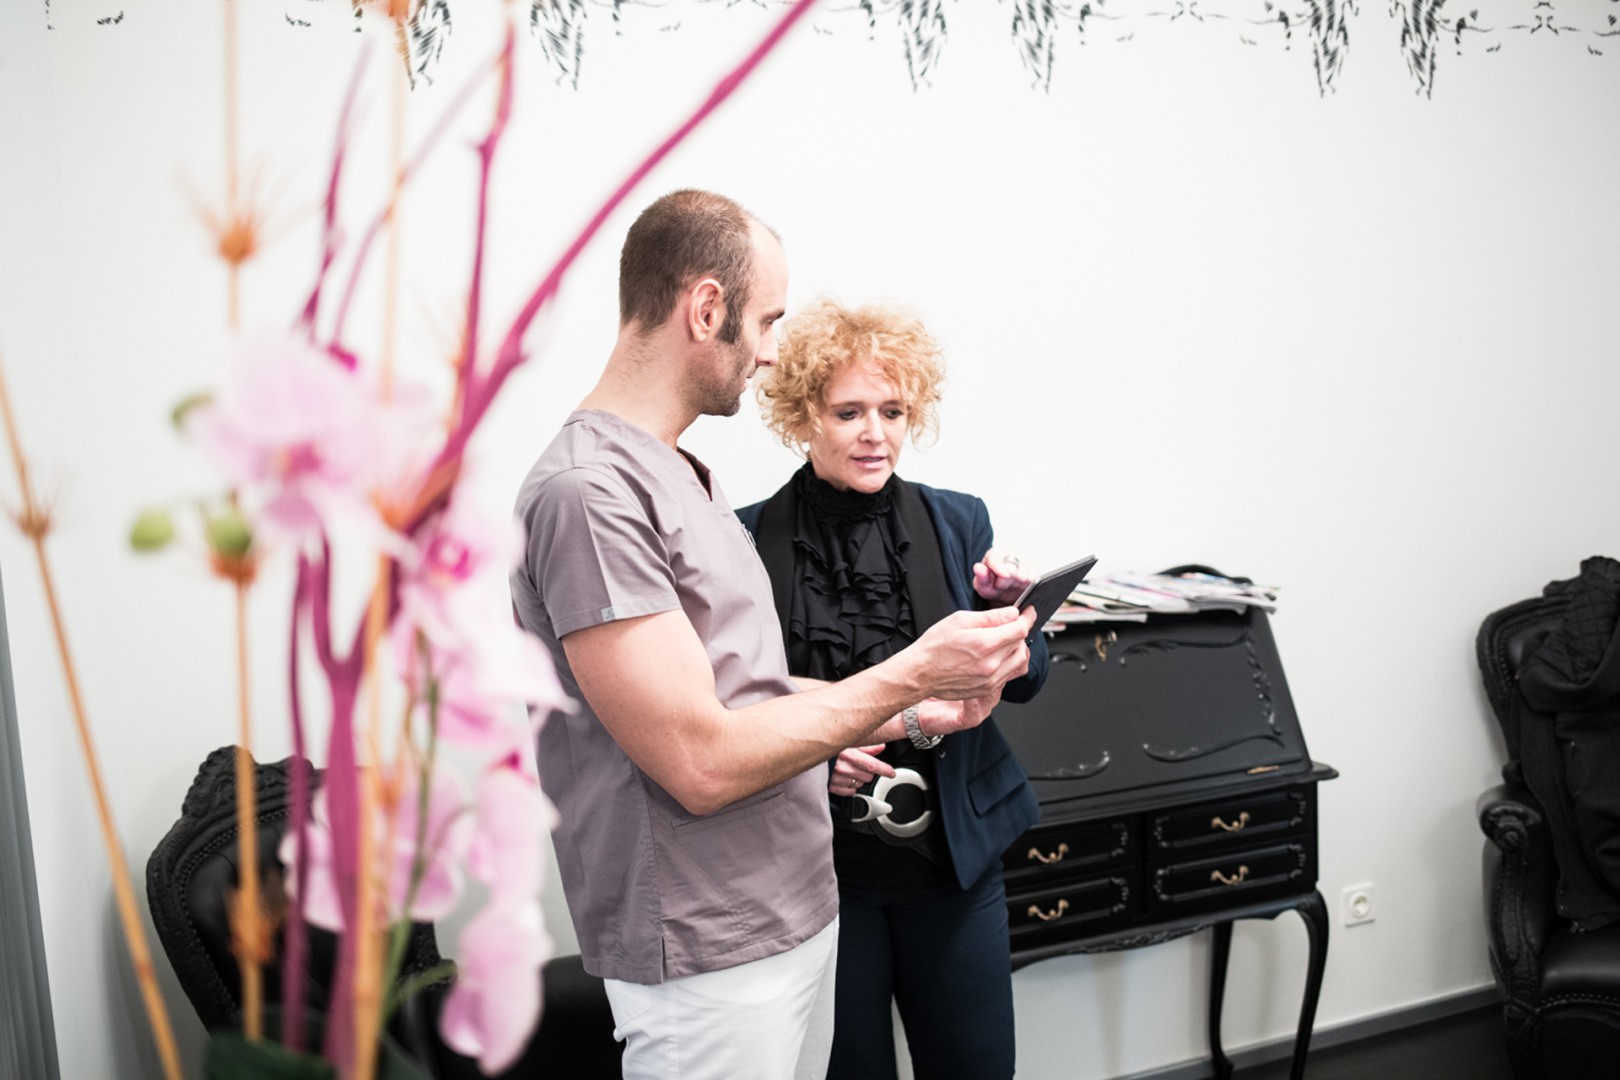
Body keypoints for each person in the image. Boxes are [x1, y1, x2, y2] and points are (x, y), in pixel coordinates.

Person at [508, 190, 1038, 1080]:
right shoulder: (590, 494)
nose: (769, 348)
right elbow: (700, 757)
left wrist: (917, 718)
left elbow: (743, 696)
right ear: (706, 308)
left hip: (790, 917)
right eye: (767, 320)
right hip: (711, 946)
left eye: (893, 411)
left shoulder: (683, 475)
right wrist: (910, 677)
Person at [736, 297, 1050, 1080]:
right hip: (819, 879)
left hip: (955, 866)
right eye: (848, 411)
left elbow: (1029, 681)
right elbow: (733, 699)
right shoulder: (740, 539)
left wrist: (1006, 616)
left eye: (893, 409)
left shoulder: (958, 521)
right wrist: (814, 753)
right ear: (801, 414)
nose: (875, 432)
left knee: (978, 1070)